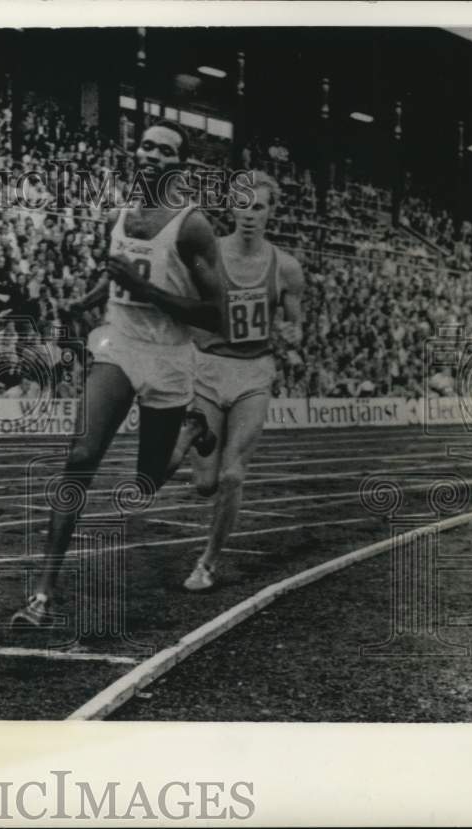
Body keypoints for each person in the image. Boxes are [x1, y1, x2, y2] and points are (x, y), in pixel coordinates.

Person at [11, 119, 224, 627]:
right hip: (119, 343)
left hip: (169, 358)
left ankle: (192, 428)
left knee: (145, 483)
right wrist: (79, 303)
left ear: (180, 164)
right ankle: (43, 593)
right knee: (81, 455)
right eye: (146, 146)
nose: (151, 155)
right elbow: (116, 277)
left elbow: (216, 313)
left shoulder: (193, 226)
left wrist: (143, 288)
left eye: (164, 151)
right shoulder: (124, 212)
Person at [166, 171, 305, 590]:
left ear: (271, 213)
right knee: (205, 484)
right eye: (242, 204)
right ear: (231, 207)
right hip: (208, 370)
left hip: (253, 374)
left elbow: (294, 324)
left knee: (232, 476)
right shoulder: (207, 258)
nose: (249, 214)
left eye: (258, 206)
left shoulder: (287, 268)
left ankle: (206, 563)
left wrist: (292, 335)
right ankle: (197, 433)